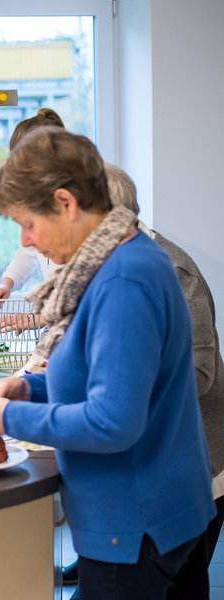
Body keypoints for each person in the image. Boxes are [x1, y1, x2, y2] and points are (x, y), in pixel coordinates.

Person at [0, 127, 216, 599]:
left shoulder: (123, 279)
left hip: (135, 520)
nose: (28, 242)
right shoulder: (120, 257)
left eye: (29, 224)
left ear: (66, 202)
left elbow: (113, 421)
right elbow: (105, 375)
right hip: (144, 510)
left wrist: (8, 417)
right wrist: (28, 390)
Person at [105, 162, 224, 599]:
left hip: (198, 466)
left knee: (183, 587)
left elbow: (199, 375)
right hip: (156, 462)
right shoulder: (118, 265)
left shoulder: (174, 273)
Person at [0, 108, 65, 311]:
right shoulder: (40, 195)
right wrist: (7, 281)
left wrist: (37, 320)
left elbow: (80, 287)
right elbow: (30, 251)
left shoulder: (71, 202)